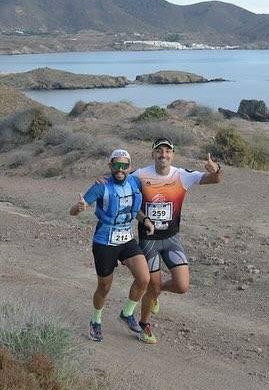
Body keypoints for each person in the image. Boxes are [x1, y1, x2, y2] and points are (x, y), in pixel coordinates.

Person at [132, 138, 223, 344]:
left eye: (167, 151)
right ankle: (143, 324)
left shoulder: (182, 175)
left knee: (182, 286)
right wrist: (103, 181)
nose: (163, 155)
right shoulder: (140, 175)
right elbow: (119, 184)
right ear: (152, 154)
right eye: (159, 151)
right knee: (151, 288)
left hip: (172, 239)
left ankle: (157, 291)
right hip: (149, 241)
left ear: (172, 154)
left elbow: (216, 180)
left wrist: (216, 169)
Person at [70, 148, 155, 343]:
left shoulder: (134, 182)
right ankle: (96, 320)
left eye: (124, 165)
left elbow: (134, 210)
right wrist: (79, 207)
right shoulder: (101, 186)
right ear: (110, 165)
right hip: (104, 241)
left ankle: (126, 313)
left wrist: (146, 220)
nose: (120, 169)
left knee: (144, 278)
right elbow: (73, 210)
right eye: (116, 165)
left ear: (129, 167)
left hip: (126, 238)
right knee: (104, 287)